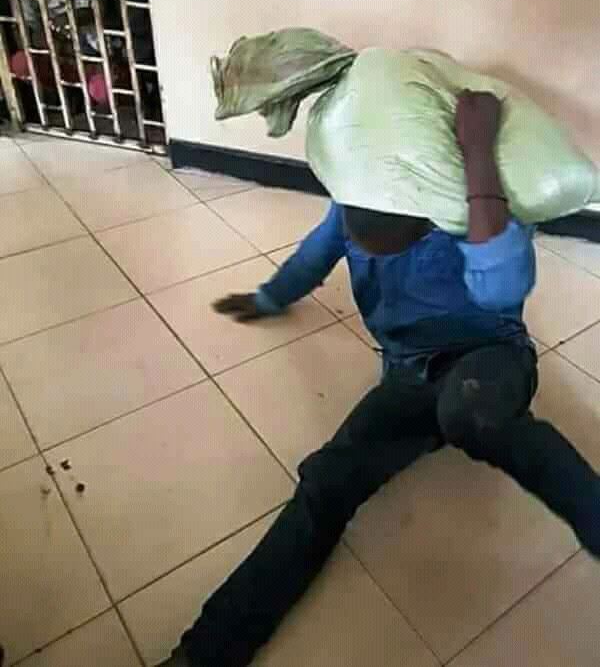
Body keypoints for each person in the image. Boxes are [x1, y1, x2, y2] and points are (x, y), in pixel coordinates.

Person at [157, 91, 600, 666]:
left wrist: (477, 150)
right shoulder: (352, 206)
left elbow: (502, 286)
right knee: (324, 481)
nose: (364, 243)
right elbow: (313, 257)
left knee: (469, 413)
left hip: (489, 359)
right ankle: (204, 653)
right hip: (409, 377)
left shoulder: (467, 209)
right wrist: (268, 298)